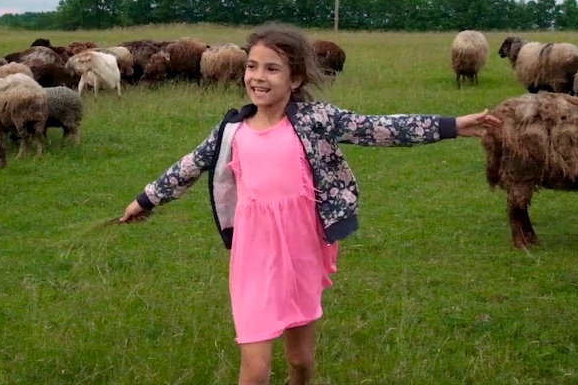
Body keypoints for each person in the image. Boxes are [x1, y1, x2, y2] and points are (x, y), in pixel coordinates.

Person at [118, 25, 499, 385]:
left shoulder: (314, 120)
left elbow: (377, 127)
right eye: (252, 66)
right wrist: (145, 199)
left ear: (295, 79)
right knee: (256, 372)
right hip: (253, 254)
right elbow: (189, 165)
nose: (258, 77)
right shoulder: (231, 131)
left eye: (272, 69)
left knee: (300, 362)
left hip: (302, 250)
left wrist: (452, 125)